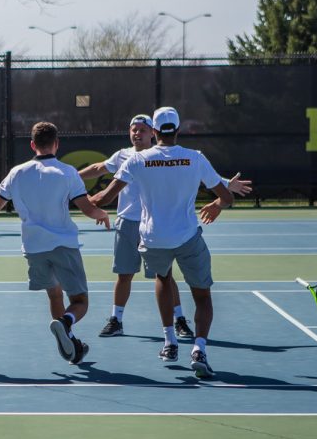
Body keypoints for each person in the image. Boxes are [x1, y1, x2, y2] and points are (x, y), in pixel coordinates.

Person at [90, 106, 234, 379]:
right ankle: (199, 349)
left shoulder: (136, 160)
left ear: (154, 132)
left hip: (153, 238)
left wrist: (68, 201)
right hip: (188, 236)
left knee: (163, 278)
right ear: (178, 130)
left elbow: (104, 198)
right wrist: (216, 205)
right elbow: (227, 197)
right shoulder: (196, 158)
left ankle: (169, 343)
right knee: (201, 296)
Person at [0, 121, 110, 365]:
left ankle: (67, 342)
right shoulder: (68, 172)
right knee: (80, 302)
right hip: (63, 245)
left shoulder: (16, 173)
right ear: (56, 144)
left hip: (33, 249)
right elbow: (88, 209)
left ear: (32, 144)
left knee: (54, 295)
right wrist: (102, 215)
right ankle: (65, 323)